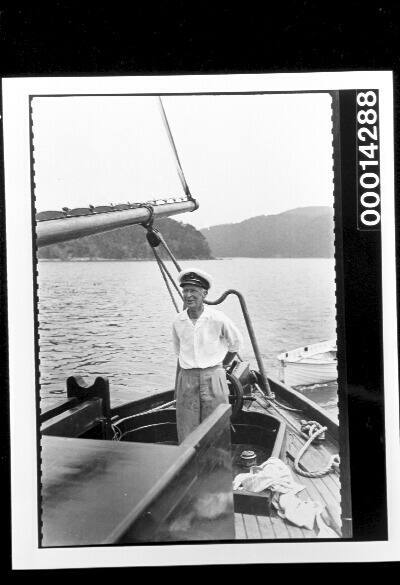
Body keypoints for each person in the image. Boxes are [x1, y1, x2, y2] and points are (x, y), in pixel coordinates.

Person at [172, 268, 243, 443]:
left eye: (193, 291)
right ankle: (189, 466)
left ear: (204, 293)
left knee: (217, 426)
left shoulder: (217, 318)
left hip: (214, 377)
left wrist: (222, 366)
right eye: (185, 291)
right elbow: (179, 353)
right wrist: (177, 386)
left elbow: (236, 344)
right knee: (187, 429)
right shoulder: (178, 321)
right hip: (187, 378)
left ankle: (218, 466)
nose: (188, 295)